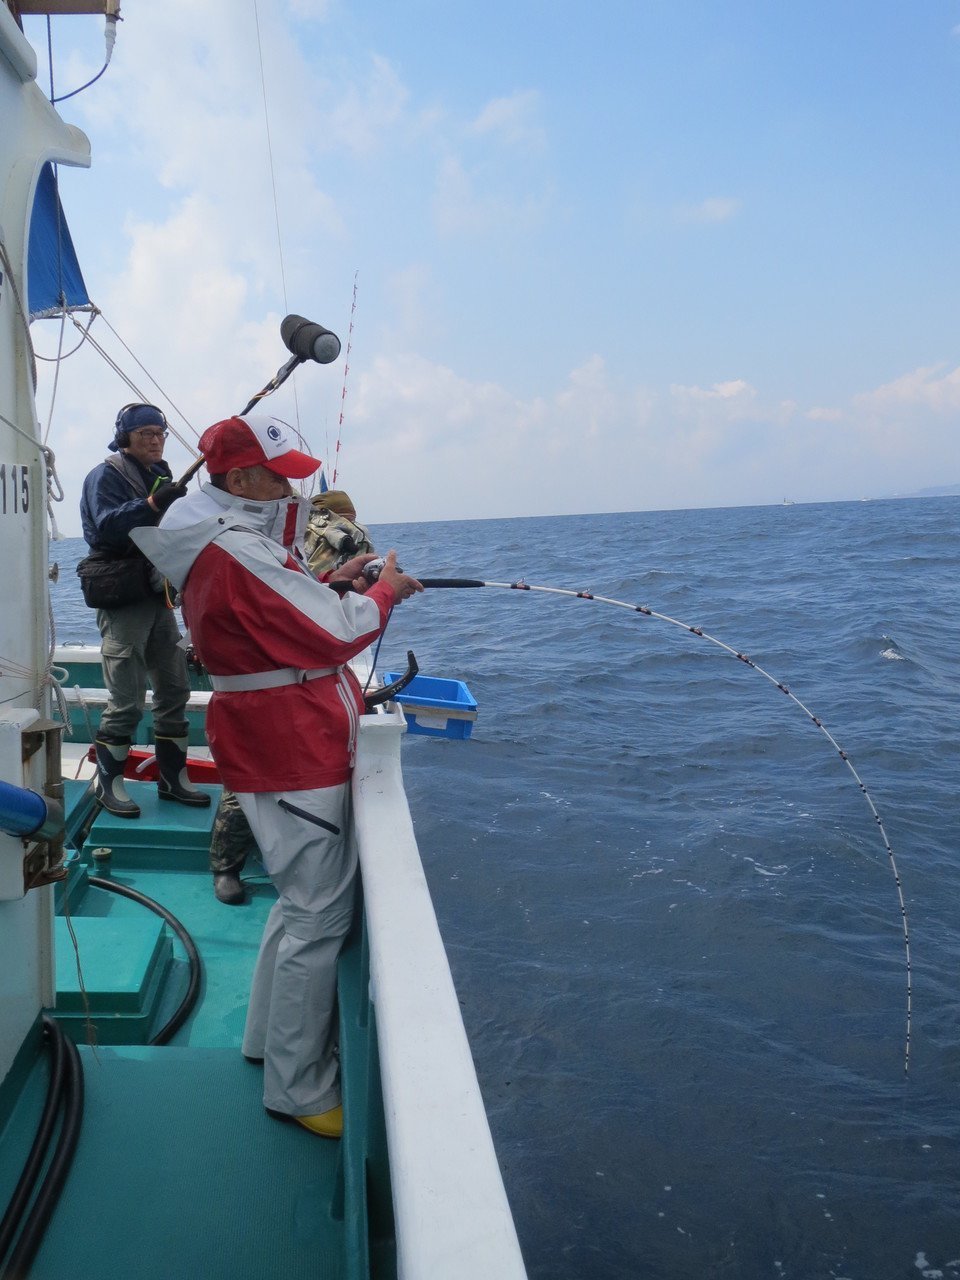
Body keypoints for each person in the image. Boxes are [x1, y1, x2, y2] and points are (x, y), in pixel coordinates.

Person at [131, 412, 422, 1138]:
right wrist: (381, 591)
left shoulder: (222, 540)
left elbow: (287, 612)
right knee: (319, 916)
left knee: (298, 905)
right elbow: (336, 630)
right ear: (239, 478)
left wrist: (341, 580)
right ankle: (299, 1087)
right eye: (279, 470)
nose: (292, 480)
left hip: (275, 744)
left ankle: (266, 1042)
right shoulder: (235, 547)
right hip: (293, 751)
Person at [208, 486, 377, 907]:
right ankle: (230, 866)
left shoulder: (280, 538)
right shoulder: (323, 538)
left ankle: (241, 865)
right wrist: (379, 595)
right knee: (252, 781)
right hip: (272, 681)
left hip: (296, 679)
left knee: (256, 786)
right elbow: (319, 621)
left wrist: (338, 587)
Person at [79, 403, 210, 818]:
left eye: (160, 433)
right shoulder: (105, 476)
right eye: (145, 434)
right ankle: (109, 784)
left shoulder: (161, 474)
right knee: (128, 699)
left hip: (157, 595)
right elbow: (106, 527)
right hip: (123, 599)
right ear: (125, 438)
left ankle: (173, 779)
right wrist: (153, 503)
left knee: (175, 688)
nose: (155, 441)